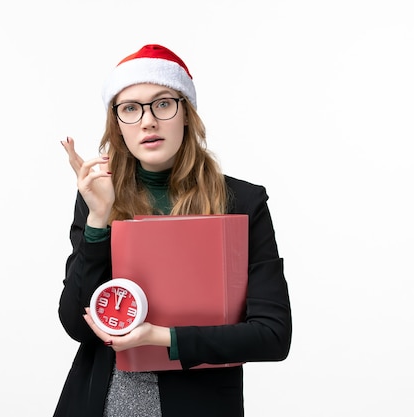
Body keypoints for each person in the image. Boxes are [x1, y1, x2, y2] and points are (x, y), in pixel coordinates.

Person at [54, 44, 292, 417]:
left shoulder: (243, 203)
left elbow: (272, 336)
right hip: (101, 403)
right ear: (117, 125)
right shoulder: (99, 196)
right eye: (130, 109)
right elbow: (76, 324)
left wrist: (161, 338)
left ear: (185, 113)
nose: (147, 121)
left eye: (162, 103)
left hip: (198, 403)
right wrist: (98, 219)